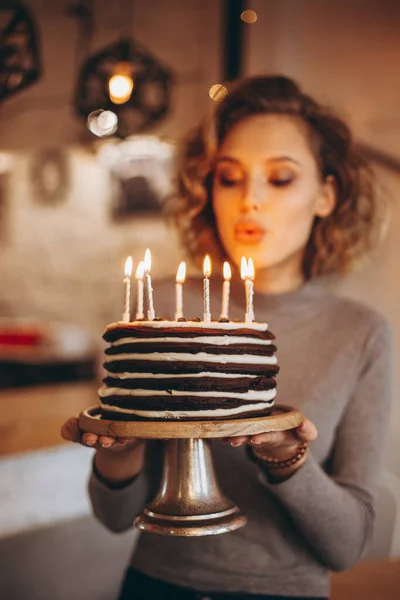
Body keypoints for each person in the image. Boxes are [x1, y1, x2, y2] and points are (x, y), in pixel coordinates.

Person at [61, 75, 393, 600]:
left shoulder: (361, 333)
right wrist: (121, 451)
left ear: (326, 195)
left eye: (280, 179)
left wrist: (288, 459)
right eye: (229, 177)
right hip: (156, 585)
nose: (250, 201)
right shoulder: (162, 318)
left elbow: (348, 546)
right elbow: (113, 517)